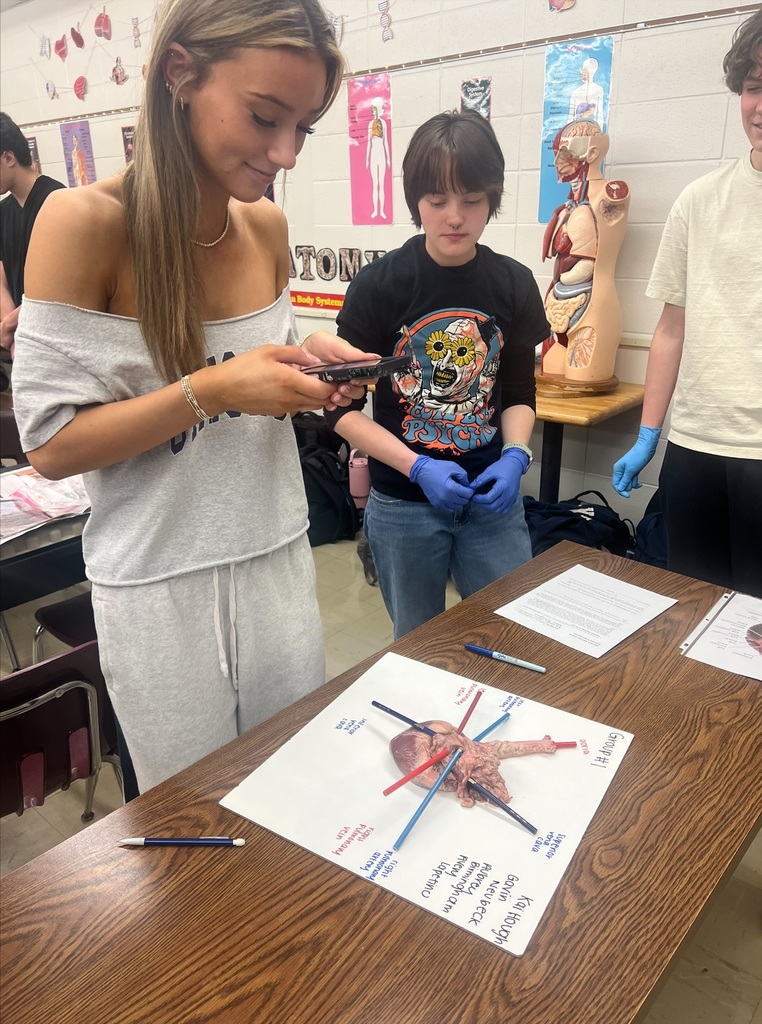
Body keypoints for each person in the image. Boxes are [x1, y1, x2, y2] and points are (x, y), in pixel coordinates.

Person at [11, 0, 376, 793]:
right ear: (180, 71)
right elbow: (50, 445)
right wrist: (211, 390)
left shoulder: (264, 227)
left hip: (275, 551)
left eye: (304, 127)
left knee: (290, 790)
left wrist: (308, 363)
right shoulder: (81, 224)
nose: (282, 152)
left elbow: (251, 363)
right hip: (157, 584)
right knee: (197, 822)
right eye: (263, 116)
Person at [325, 111, 549, 639]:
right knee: (417, 642)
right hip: (404, 505)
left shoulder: (513, 283)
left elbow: (518, 391)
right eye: (437, 201)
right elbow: (339, 412)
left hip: (491, 501)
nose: (455, 217)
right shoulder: (380, 287)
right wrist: (417, 467)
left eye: (471, 201)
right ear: (415, 202)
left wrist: (516, 456)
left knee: (508, 632)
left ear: (491, 199)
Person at [613, 7, 762, 601]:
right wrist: (650, 432)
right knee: (696, 613)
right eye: (753, 87)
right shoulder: (700, 201)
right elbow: (671, 329)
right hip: (698, 446)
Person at [540, 118, 630, 389]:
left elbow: (593, 259)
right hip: (559, 303)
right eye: (557, 154)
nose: (559, 162)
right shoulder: (569, 205)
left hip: (592, 306)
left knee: (581, 375)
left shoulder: (611, 195)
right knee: (552, 372)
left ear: (591, 153)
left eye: (567, 153)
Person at [0, 112, 65, 360]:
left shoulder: (58, 201)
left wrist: (12, 327)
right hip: (23, 339)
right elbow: (1, 280)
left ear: (8, 158)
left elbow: (60, 286)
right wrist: (12, 333)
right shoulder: (3, 211)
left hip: (53, 338)